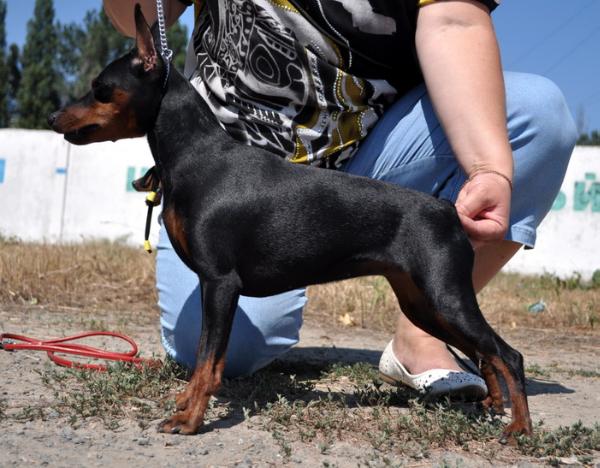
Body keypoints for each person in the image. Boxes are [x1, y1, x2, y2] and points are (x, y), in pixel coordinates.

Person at [104, 0, 577, 399]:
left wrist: (488, 167)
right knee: (221, 346)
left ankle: (422, 330)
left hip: (369, 153)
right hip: (228, 178)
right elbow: (136, 16)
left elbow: (454, 20)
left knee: (537, 115)